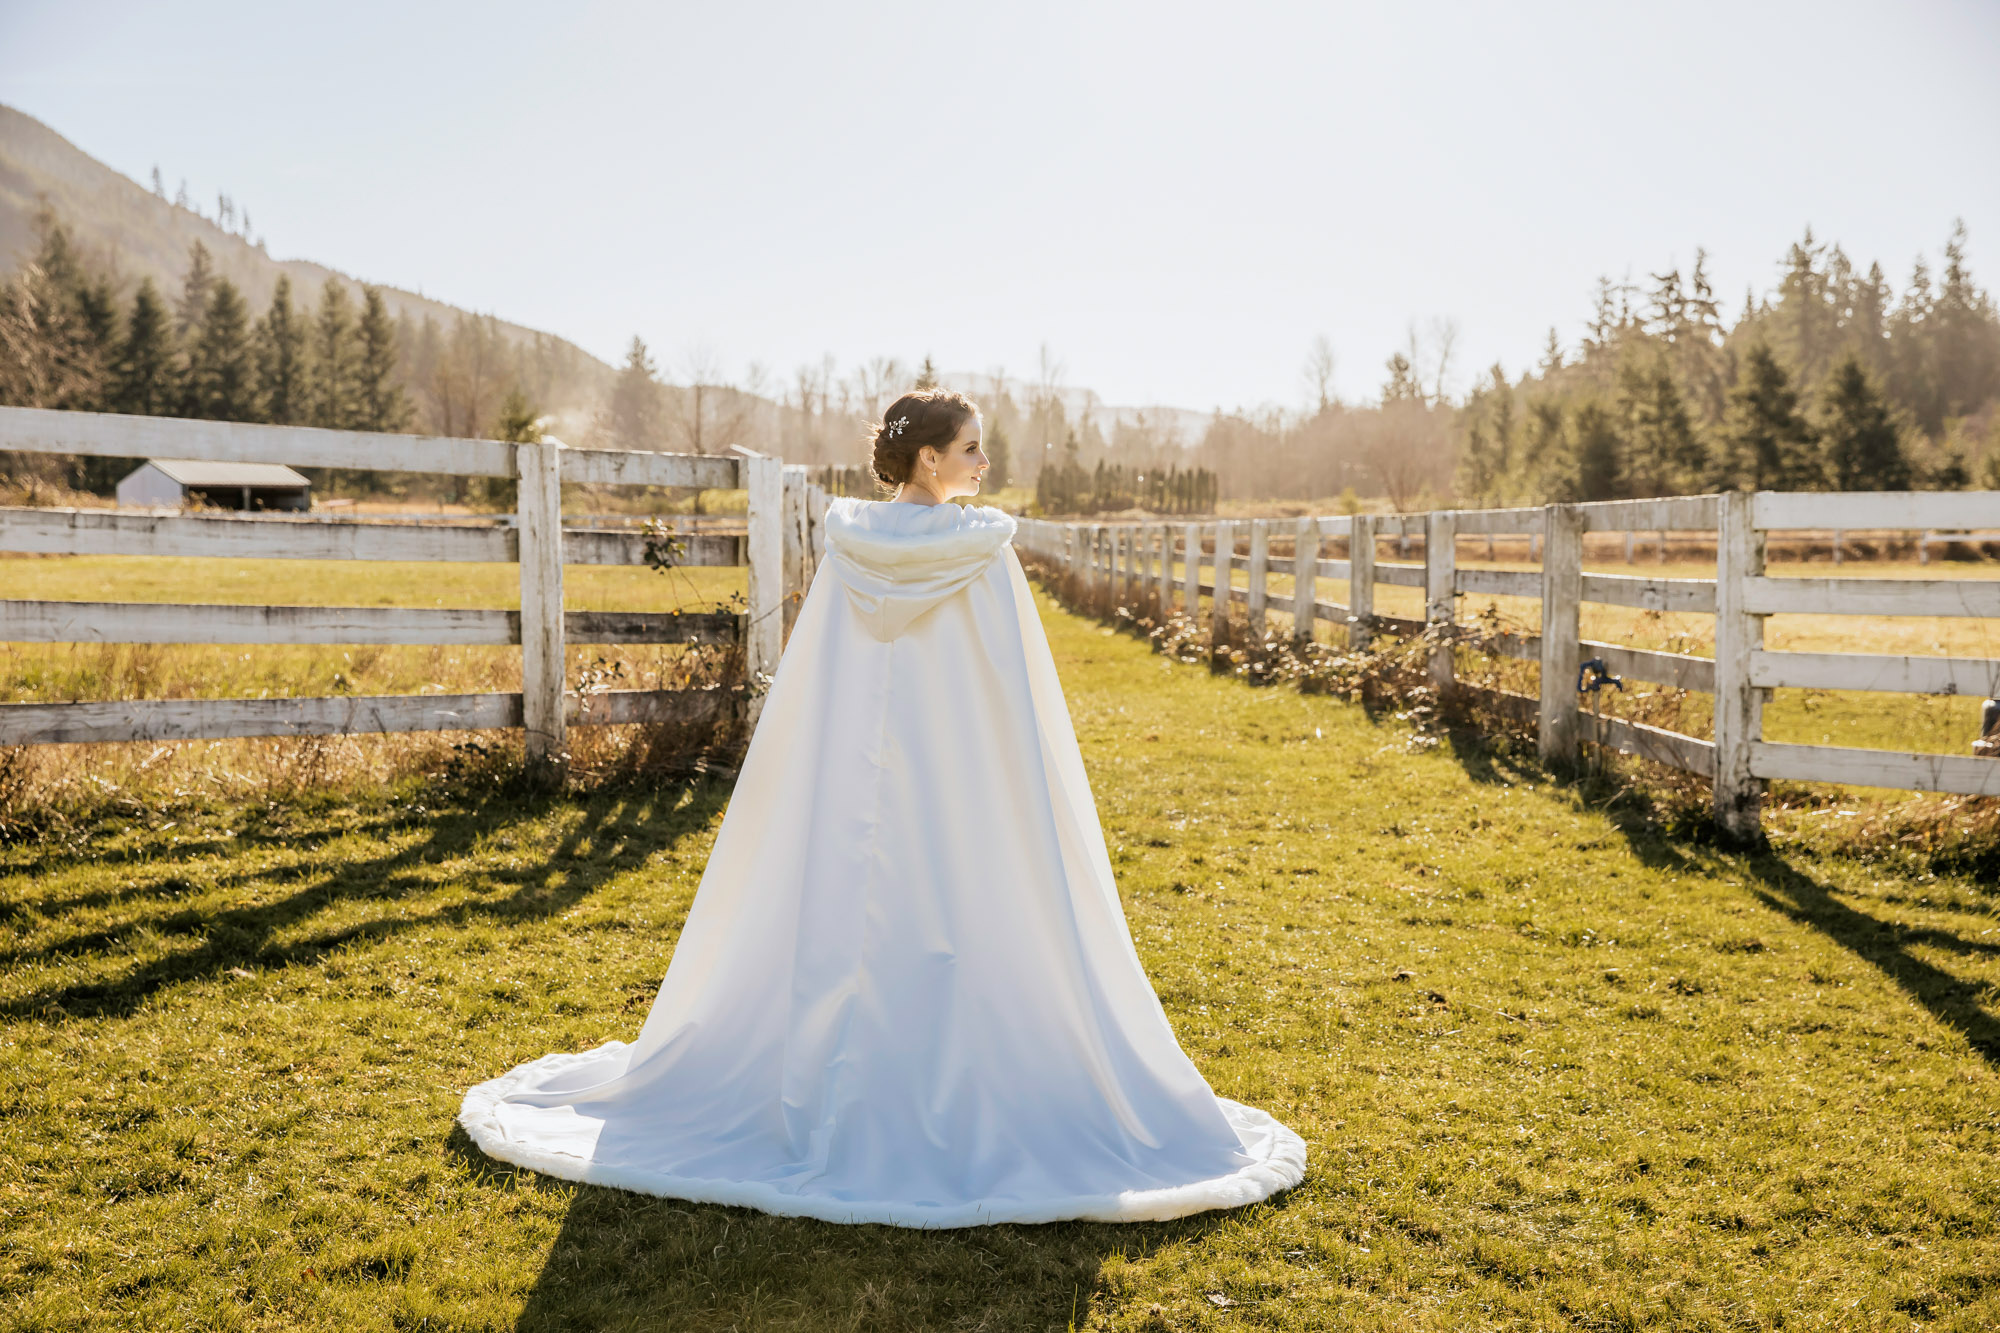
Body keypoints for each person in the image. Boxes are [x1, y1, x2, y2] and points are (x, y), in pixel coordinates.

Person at [459, 388, 1306, 1227]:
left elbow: (823, 685)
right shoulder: (983, 552)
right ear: (928, 458)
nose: (984, 462)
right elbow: (1010, 689)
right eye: (972, 447)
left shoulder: (850, 548)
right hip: (961, 781)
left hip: (856, 786)